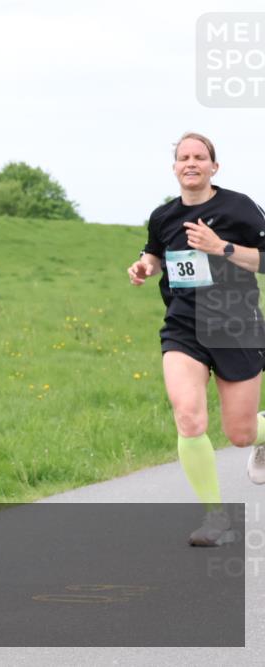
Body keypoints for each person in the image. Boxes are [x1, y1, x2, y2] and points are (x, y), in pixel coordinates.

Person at [128, 132, 265, 546]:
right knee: (188, 416)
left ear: (213, 167)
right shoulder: (163, 215)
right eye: (183, 157)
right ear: (175, 168)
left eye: (199, 157)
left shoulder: (238, 207)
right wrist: (144, 267)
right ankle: (216, 519)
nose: (191, 162)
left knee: (239, 433)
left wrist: (220, 247)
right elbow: (155, 253)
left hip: (236, 325)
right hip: (184, 324)